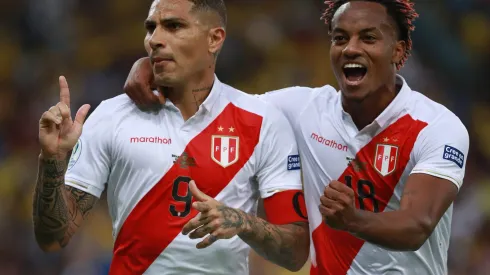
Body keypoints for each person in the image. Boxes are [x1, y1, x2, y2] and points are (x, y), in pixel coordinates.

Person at [124, 0, 470, 274]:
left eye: (368, 37)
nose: (350, 48)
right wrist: (155, 65)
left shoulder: (437, 126)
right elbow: (211, 102)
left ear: (399, 50)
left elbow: (416, 225)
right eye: (339, 38)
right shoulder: (302, 109)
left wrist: (352, 220)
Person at [32, 0, 311, 274]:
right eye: (151, 28)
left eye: (173, 26)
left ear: (214, 39)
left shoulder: (263, 122)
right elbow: (54, 238)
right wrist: (52, 160)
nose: (155, 39)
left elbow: (296, 254)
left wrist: (244, 223)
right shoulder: (112, 115)